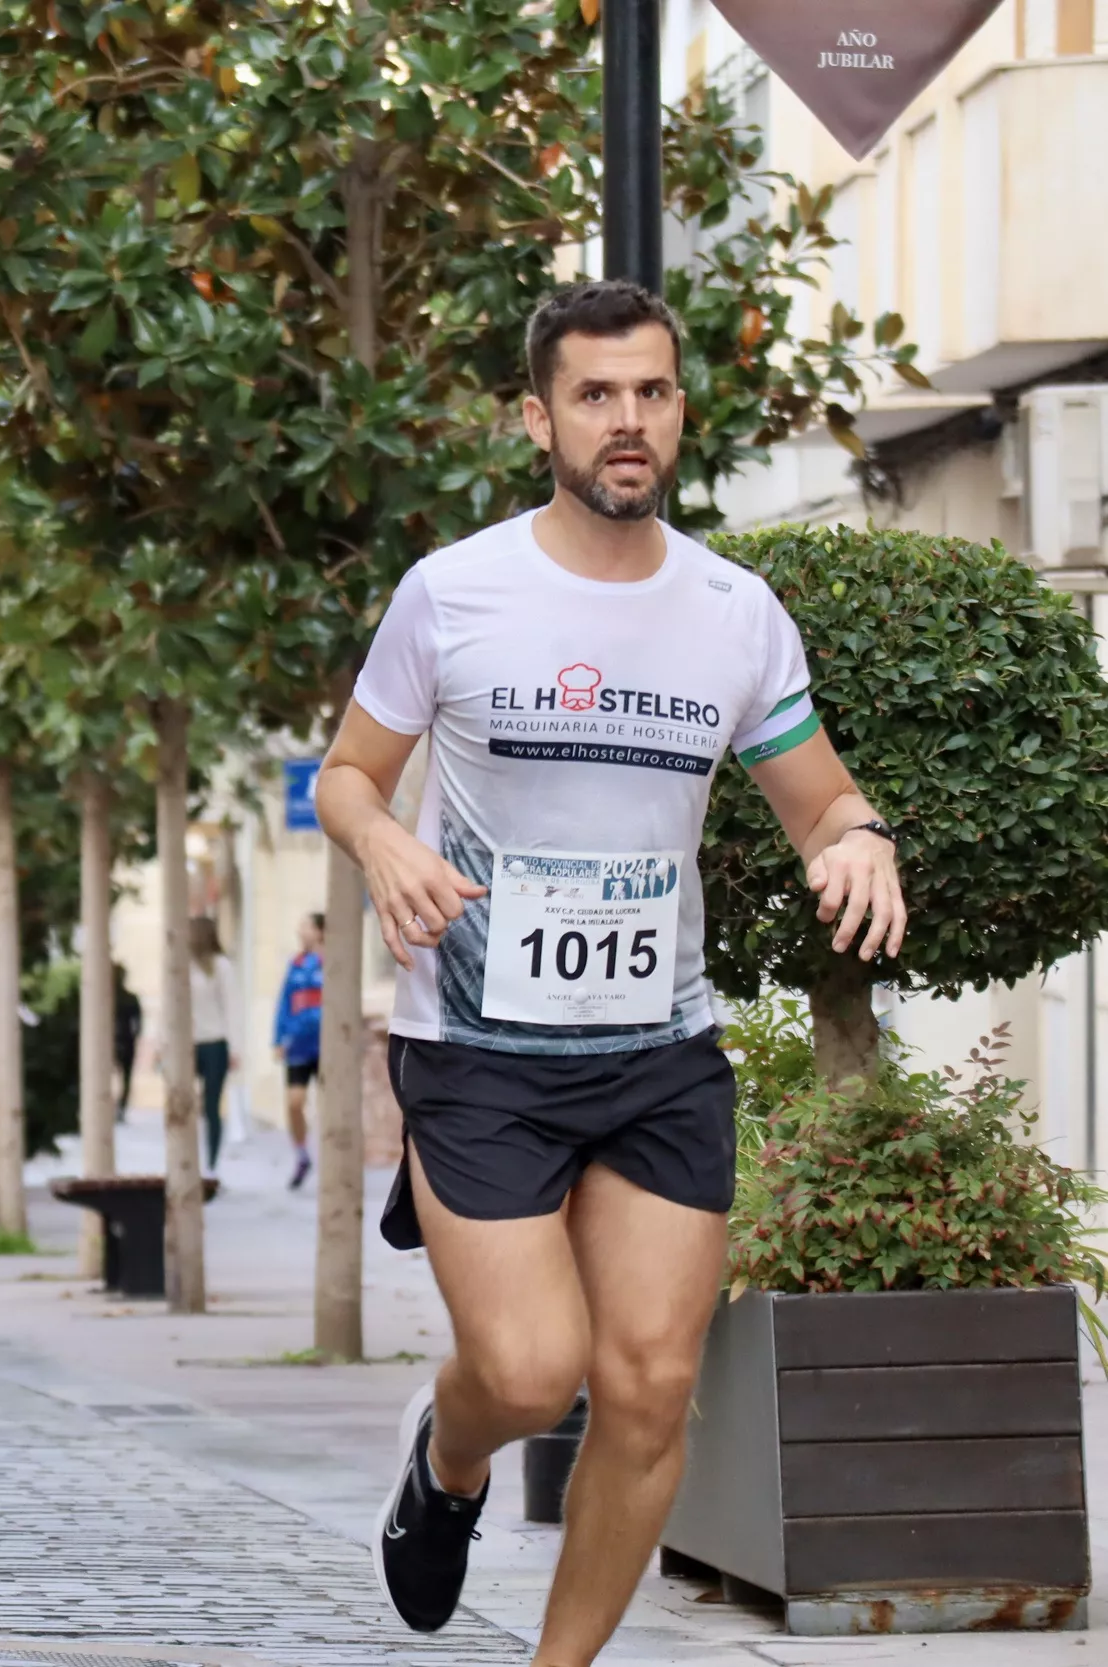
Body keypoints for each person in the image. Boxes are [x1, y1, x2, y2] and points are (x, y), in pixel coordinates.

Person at [316, 280, 905, 1667]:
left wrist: (860, 838)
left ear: (679, 411)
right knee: (528, 1372)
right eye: (595, 395)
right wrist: (387, 839)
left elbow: (820, 798)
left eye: (650, 392)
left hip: (658, 1048)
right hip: (482, 1045)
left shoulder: (735, 612)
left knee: (647, 1386)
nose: (626, 420)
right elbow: (349, 773)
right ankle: (447, 1454)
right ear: (540, 417)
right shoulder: (454, 592)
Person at [274, 912, 324, 1191]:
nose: (300, 930)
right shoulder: (295, 964)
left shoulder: (331, 962)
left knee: (329, 1105)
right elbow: (284, 1002)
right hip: (299, 1043)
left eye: (306, 926)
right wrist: (279, 1037)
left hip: (327, 1043)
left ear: (319, 931)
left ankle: (332, 1158)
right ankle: (302, 1154)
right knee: (295, 1102)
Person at [187, 917, 240, 1172]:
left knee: (211, 1106)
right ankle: (187, 1162)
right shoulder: (182, 967)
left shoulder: (221, 966)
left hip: (216, 1043)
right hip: (188, 1044)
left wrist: (234, 1048)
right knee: (183, 1104)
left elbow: (232, 1007)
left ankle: (211, 1165)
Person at [111, 965, 142, 1122]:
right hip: (126, 1039)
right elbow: (138, 1024)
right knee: (126, 1078)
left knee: (116, 1077)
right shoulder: (130, 998)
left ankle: (117, 1107)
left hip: (112, 1040)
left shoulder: (106, 997)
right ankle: (120, 1108)